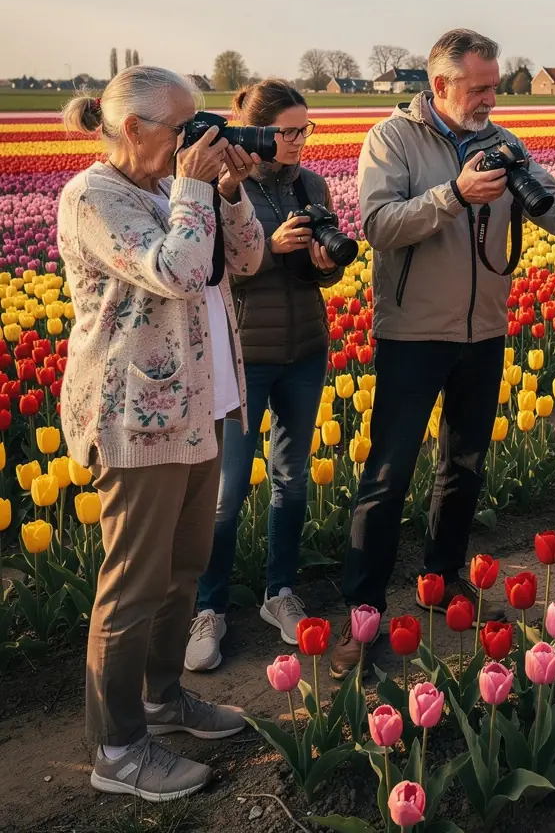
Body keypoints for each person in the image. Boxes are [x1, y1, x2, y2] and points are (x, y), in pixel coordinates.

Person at [330, 29, 555, 677]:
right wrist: (454, 196)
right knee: (388, 476)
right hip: (413, 333)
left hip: (483, 330)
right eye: (479, 88)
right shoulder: (393, 140)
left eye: (494, 87)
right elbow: (378, 225)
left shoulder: (504, 143)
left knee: (463, 466)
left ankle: (444, 580)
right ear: (440, 85)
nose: (490, 99)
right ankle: (362, 617)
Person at [58, 66, 266, 801]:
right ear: (134, 129)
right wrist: (195, 190)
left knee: (183, 570)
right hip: (135, 417)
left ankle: (162, 698)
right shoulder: (94, 197)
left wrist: (230, 192)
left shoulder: (170, 186)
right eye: (184, 128)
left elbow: (246, 260)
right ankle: (116, 749)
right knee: (135, 583)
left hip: (200, 406)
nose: (196, 140)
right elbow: (174, 271)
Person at [186, 79, 342, 672]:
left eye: (305, 130)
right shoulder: (219, 186)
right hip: (243, 355)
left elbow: (321, 273)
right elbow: (208, 274)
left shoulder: (312, 185)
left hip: (305, 348)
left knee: (291, 479)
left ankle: (280, 593)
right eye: (287, 131)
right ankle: (209, 608)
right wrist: (269, 247)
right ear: (256, 129)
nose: (299, 141)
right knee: (226, 493)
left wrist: (322, 263)